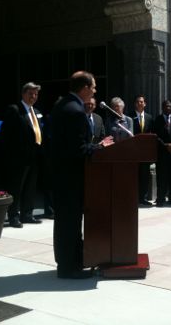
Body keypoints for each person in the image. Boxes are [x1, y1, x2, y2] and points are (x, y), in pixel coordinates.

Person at [50, 71, 113, 279]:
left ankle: (68, 262)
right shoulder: (75, 111)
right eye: (93, 87)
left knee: (64, 222)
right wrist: (100, 147)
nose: (95, 91)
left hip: (61, 176)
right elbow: (79, 150)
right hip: (71, 178)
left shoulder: (62, 104)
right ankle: (69, 268)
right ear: (85, 88)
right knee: (71, 223)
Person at [0, 82, 44, 228]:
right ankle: (13, 216)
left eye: (36, 94)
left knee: (31, 187)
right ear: (23, 94)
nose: (33, 97)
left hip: (34, 156)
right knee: (16, 188)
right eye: (31, 93)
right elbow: (6, 134)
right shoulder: (14, 110)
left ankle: (27, 214)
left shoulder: (36, 111)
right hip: (18, 157)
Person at [153, 100, 171, 207]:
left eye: (170, 106)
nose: (168, 108)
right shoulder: (157, 120)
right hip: (162, 154)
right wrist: (166, 146)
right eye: (166, 106)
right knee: (161, 177)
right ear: (162, 108)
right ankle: (160, 199)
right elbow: (156, 136)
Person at [131, 95, 154, 206]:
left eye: (142, 102)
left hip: (145, 152)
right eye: (138, 102)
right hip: (133, 151)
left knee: (144, 175)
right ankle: (133, 197)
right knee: (134, 175)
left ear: (145, 104)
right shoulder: (129, 117)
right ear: (135, 104)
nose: (140, 104)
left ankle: (142, 197)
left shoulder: (149, 117)